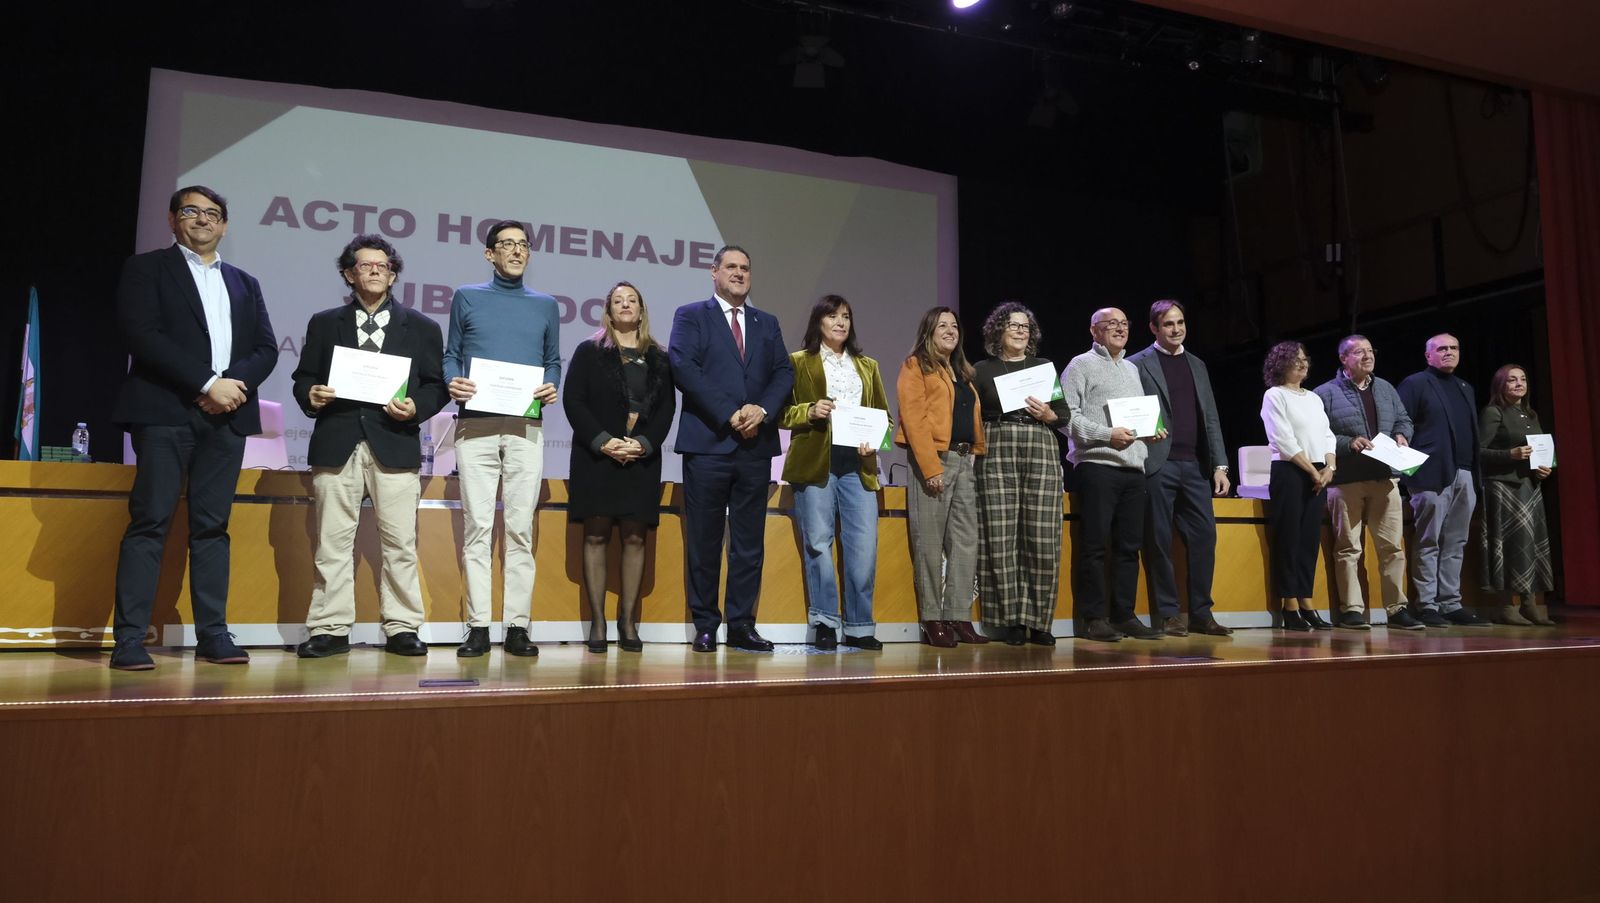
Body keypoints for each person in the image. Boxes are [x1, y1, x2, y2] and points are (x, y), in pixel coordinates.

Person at [108, 186, 279, 671]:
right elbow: (141, 335)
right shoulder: (146, 269)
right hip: (166, 412)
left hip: (226, 419)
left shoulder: (245, 281)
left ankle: (213, 634)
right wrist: (207, 382)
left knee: (212, 528)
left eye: (213, 214)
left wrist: (232, 386)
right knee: (150, 522)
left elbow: (266, 347)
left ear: (224, 225)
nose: (202, 220)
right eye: (191, 211)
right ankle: (129, 639)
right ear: (172, 219)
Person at [291, 236, 447, 658]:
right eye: (365, 265)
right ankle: (330, 628)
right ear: (349, 274)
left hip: (394, 443)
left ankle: (402, 627)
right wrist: (312, 395)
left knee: (400, 543)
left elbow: (436, 387)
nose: (375, 271)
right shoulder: (325, 323)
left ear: (393, 274)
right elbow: (302, 378)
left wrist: (416, 406)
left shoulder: (423, 328)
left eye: (383, 265)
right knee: (332, 542)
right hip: (338, 441)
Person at [442, 221, 562, 657]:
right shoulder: (467, 296)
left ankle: (516, 626)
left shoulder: (545, 305)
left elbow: (552, 360)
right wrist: (452, 380)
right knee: (477, 526)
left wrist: (551, 385)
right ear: (489, 254)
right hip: (475, 425)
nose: (516, 251)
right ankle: (477, 625)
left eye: (523, 245)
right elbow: (451, 353)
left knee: (519, 529)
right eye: (507, 245)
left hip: (525, 426)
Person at [669, 246, 794, 653]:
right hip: (708, 444)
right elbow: (684, 367)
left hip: (755, 447)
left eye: (745, 268)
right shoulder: (691, 315)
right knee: (705, 541)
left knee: (748, 543)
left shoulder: (766, 322)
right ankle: (706, 625)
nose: (739, 274)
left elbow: (783, 373)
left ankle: (742, 624)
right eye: (731, 267)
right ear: (714, 273)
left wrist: (761, 409)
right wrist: (730, 413)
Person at [564, 281, 675, 653]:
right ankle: (598, 623)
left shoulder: (660, 357)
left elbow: (666, 411)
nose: (625, 305)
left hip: (640, 461)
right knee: (595, 535)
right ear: (608, 312)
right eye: (617, 301)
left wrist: (643, 445)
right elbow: (574, 402)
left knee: (634, 537)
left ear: (641, 311)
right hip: (597, 458)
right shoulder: (589, 351)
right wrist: (604, 442)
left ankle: (628, 623)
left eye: (632, 301)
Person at [781, 295, 890, 651]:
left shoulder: (868, 365)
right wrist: (809, 410)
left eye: (846, 316)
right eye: (833, 316)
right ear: (819, 323)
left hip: (857, 465)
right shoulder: (799, 362)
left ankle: (860, 626)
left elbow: (885, 419)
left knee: (863, 548)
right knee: (818, 544)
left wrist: (875, 441)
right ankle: (825, 621)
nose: (841, 322)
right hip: (816, 463)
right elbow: (780, 413)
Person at [1128, 300, 1235, 638]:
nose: (1176, 329)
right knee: (1158, 540)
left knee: (1205, 537)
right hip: (1158, 463)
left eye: (1180, 323)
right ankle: (1169, 614)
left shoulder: (1197, 365)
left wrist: (1220, 465)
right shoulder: (1137, 364)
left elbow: (1212, 418)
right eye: (1168, 324)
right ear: (1154, 328)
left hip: (1195, 466)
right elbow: (1129, 411)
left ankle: (1202, 612)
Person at [1062, 307, 1166, 642]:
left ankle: (1124, 615)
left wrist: (1149, 431)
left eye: (1124, 324)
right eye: (1111, 324)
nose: (1120, 329)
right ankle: (1094, 617)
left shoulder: (1133, 369)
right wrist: (1108, 435)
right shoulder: (1080, 365)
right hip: (1097, 466)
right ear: (1094, 331)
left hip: (1133, 468)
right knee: (1094, 545)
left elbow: (1134, 421)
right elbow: (1066, 417)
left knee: (1128, 547)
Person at [972, 302, 1068, 646]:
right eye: (1013, 325)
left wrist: (1048, 414)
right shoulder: (982, 370)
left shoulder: (1043, 367)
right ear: (998, 330)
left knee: (1042, 536)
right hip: (997, 445)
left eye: (1025, 327)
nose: (1020, 331)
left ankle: (1039, 621)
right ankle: (1009, 620)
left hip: (1039, 442)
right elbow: (972, 416)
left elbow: (1064, 415)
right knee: (1000, 536)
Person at [1313, 336, 1423, 630]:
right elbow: (1317, 435)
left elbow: (1404, 420)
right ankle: (1352, 610)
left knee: (1392, 548)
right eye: (1358, 352)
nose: (1367, 356)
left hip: (1385, 479)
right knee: (1348, 548)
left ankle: (1397, 609)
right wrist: (1348, 443)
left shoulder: (1385, 388)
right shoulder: (1325, 393)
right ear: (1343, 358)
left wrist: (1402, 435)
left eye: (1370, 351)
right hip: (1346, 481)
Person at [896, 307, 987, 647]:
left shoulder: (962, 371)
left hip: (964, 461)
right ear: (929, 332)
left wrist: (975, 454)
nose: (950, 330)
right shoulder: (915, 365)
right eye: (942, 326)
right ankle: (933, 620)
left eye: (954, 325)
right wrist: (931, 467)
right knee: (930, 543)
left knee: (966, 542)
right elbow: (915, 418)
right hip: (934, 460)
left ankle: (959, 618)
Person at [1398, 334, 1491, 627]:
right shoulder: (1416, 384)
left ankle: (1450, 603)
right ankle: (1427, 605)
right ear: (1428, 356)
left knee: (1456, 541)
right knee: (1429, 540)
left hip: (1464, 473)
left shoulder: (1465, 387)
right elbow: (1402, 424)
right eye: (1441, 349)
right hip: (1431, 474)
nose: (1448, 352)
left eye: (1453, 348)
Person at [1259, 342, 1337, 631]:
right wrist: (1311, 471)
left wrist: (1329, 467)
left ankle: (1307, 602)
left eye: (1305, 359)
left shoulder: (1314, 398)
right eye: (1295, 360)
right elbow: (1283, 438)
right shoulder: (1275, 395)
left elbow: (1327, 436)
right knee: (1288, 539)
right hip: (1291, 471)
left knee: (1308, 541)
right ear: (1281, 365)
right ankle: (1289, 605)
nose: (1302, 364)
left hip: (1318, 472)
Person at [1478, 364, 1556, 625]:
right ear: (1501, 385)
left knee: (1530, 545)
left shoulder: (1530, 414)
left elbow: (1541, 451)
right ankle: (1505, 605)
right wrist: (1508, 455)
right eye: (1512, 380)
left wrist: (1544, 470)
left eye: (1522, 379)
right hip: (1503, 487)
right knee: (1509, 545)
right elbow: (1479, 452)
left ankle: (1529, 604)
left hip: (1528, 487)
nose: (1519, 384)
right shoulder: (1493, 412)